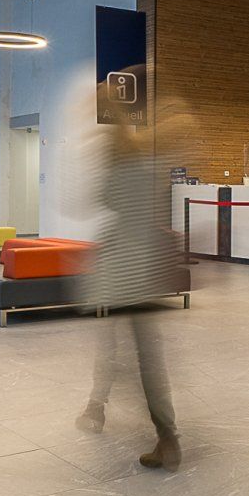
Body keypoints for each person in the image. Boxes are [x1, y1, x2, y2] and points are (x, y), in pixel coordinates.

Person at [75, 120, 181, 469]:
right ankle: (167, 436)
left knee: (108, 347)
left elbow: (89, 201)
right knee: (149, 357)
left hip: (119, 275)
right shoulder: (148, 172)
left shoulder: (116, 173)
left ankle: (96, 408)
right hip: (145, 272)